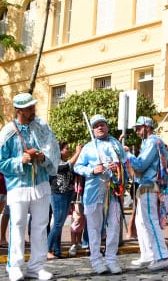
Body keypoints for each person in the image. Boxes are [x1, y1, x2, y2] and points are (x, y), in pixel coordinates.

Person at [0, 92, 60, 281]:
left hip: (40, 183)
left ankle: (37, 266)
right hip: (18, 185)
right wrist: (20, 160)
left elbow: (52, 149)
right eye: (29, 108)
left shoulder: (42, 127)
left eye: (33, 107)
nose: (33, 110)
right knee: (17, 224)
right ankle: (14, 265)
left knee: (41, 225)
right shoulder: (7, 132)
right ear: (18, 110)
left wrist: (42, 157)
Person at [74, 115, 127, 274]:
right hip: (93, 192)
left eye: (102, 124)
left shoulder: (116, 145)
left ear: (107, 127)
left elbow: (124, 164)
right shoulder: (88, 147)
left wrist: (116, 167)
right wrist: (92, 170)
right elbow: (77, 167)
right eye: (96, 125)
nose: (99, 128)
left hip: (113, 192)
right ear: (93, 129)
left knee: (114, 226)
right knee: (94, 228)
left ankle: (111, 259)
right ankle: (96, 260)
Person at [125, 116, 168, 271]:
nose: (137, 131)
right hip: (147, 186)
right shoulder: (149, 142)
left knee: (151, 221)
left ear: (147, 127)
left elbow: (140, 164)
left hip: (150, 185)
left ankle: (162, 256)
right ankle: (151, 254)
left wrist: (128, 154)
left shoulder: (152, 141)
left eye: (139, 128)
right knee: (143, 222)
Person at [47, 141, 81, 259]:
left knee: (60, 224)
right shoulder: (55, 161)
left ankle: (57, 250)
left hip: (67, 194)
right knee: (57, 223)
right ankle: (47, 249)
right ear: (60, 150)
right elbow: (66, 167)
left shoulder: (67, 161)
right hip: (58, 194)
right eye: (66, 149)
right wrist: (78, 153)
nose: (68, 150)